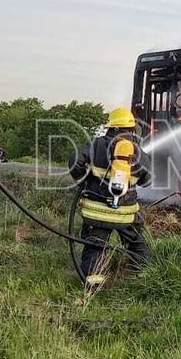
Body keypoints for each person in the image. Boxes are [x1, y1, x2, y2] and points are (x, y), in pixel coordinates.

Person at [68, 107, 152, 286]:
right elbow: (147, 181)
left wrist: (83, 181)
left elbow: (75, 161)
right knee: (136, 243)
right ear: (131, 129)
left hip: (97, 213)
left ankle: (93, 284)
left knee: (96, 245)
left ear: (111, 127)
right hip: (126, 214)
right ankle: (143, 277)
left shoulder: (96, 144)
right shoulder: (138, 153)